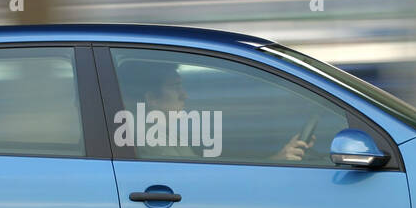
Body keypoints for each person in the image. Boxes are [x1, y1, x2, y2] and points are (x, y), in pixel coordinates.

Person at [117, 60, 314, 162]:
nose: (184, 95)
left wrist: (278, 159)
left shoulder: (159, 131)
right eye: (176, 87)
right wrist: (277, 161)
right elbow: (199, 182)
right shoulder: (149, 138)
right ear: (151, 98)